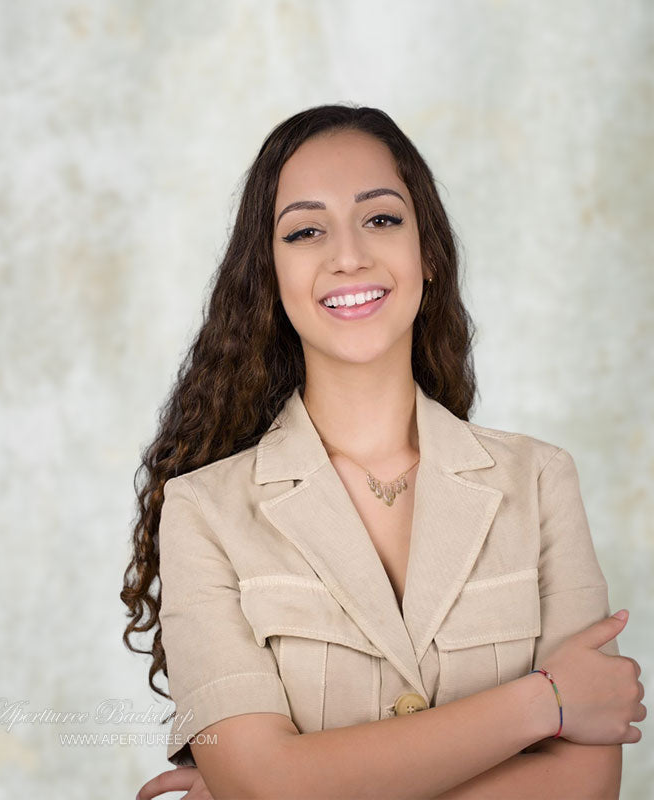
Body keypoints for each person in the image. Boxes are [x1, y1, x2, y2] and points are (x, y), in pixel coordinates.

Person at [122, 103, 645, 800]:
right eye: (306, 231)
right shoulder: (202, 511)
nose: (348, 256)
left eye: (381, 219)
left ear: (427, 253)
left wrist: (294, 784)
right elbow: (262, 782)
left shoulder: (541, 481)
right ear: (269, 275)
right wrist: (544, 702)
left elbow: (585, 786)